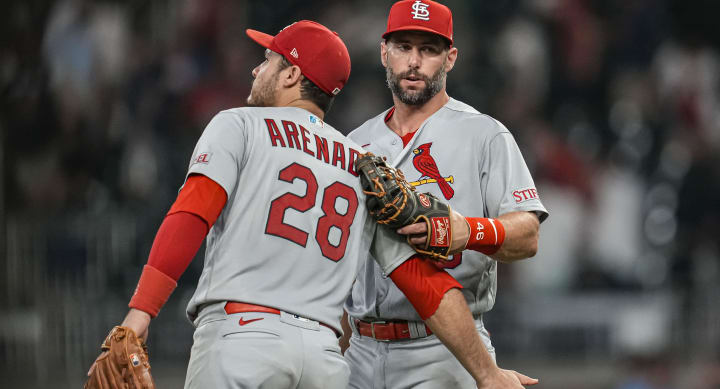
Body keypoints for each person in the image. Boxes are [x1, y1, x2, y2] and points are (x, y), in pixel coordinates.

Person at [89, 20, 532, 389]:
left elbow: (191, 216)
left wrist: (139, 316)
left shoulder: (239, 124)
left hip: (242, 340)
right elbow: (423, 281)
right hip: (325, 359)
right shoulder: (360, 161)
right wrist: (487, 373)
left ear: (290, 75)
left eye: (267, 60)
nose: (255, 70)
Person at [342, 0, 549, 389]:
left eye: (429, 50)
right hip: (361, 349)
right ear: (384, 52)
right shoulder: (357, 142)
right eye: (403, 47)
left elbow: (528, 235)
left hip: (444, 349)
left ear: (450, 58)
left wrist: (468, 231)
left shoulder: (484, 133)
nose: (414, 62)